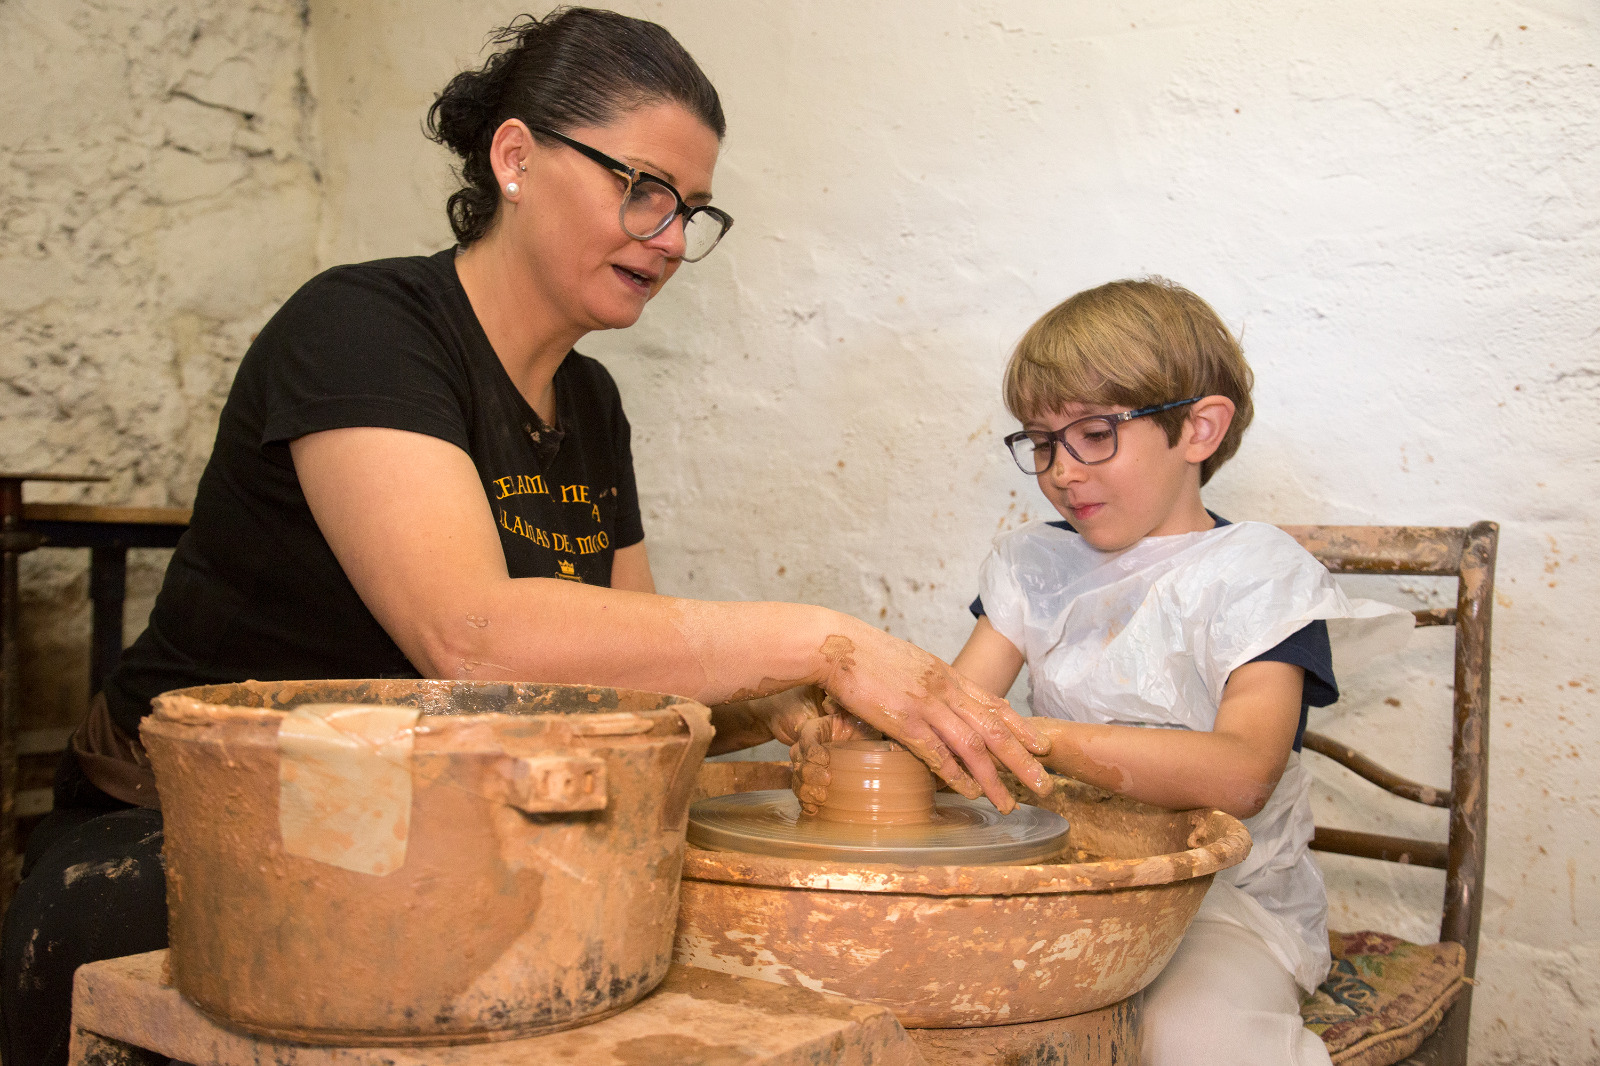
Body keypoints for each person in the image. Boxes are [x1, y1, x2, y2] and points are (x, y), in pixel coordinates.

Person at [0, 11, 1051, 1065]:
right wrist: (824, 642)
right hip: (190, 847)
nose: (672, 237)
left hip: (421, 843)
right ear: (515, 157)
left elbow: (638, 692)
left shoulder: (589, 403)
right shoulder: (361, 328)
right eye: (642, 189)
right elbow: (472, 641)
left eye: (691, 210)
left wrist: (788, 708)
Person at [941, 278, 1407, 1065]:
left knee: (1190, 1039)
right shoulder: (1033, 564)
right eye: (1042, 441)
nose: (1062, 470)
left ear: (1199, 427)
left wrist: (1033, 737)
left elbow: (1242, 775)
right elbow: (954, 715)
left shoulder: (1256, 574)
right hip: (1068, 876)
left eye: (1094, 433)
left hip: (1223, 902)